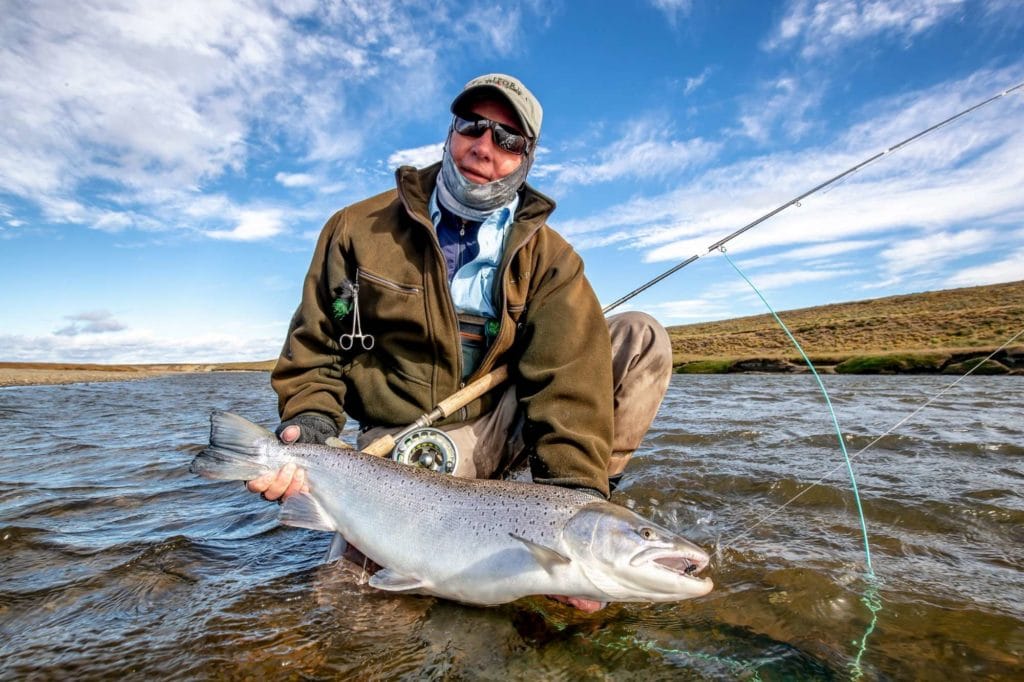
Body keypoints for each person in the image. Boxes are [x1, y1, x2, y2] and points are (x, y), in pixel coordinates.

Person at [248, 73, 673, 611]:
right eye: (473, 126)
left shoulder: (552, 259)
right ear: (452, 133)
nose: (485, 146)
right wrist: (309, 423)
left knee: (638, 336)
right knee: (358, 624)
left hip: (501, 417)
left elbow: (567, 382)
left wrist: (576, 504)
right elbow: (315, 350)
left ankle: (592, 512)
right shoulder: (355, 229)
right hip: (396, 448)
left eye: (507, 139)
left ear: (526, 158)